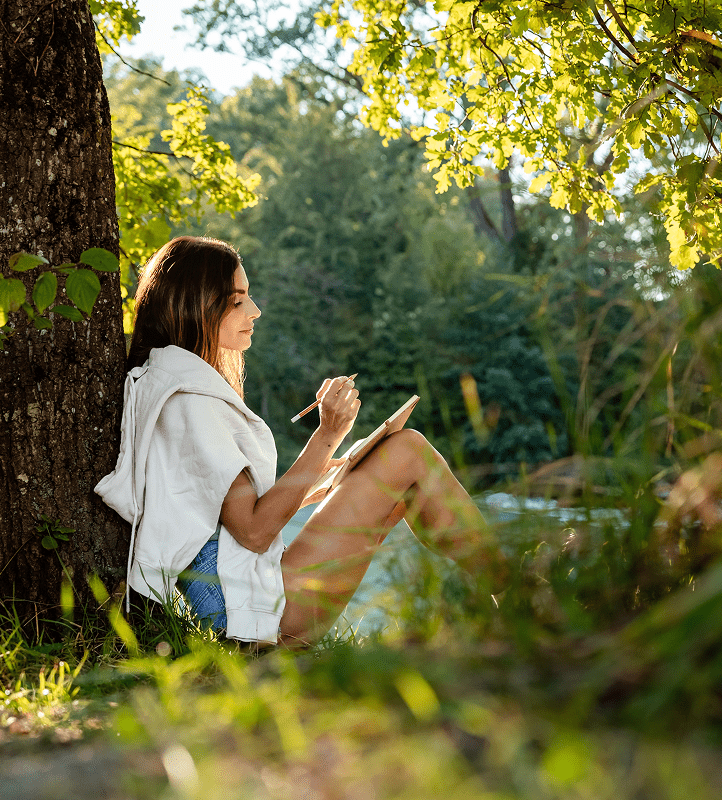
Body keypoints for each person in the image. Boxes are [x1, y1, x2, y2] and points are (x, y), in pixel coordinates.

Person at [95, 236, 499, 647]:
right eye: (237, 301)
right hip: (245, 616)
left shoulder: (169, 382)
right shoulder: (188, 399)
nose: (254, 310)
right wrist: (327, 435)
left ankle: (506, 591)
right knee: (407, 452)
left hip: (244, 601)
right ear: (194, 306)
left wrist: (322, 483)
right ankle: (515, 588)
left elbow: (220, 517)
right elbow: (252, 532)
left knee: (394, 483)